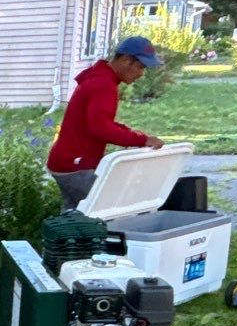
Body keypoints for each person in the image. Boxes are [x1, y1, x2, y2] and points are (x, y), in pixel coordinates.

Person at [47, 36, 165, 211]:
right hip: (75, 165)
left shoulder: (100, 78)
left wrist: (130, 133)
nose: (141, 73)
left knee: (76, 216)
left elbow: (97, 121)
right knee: (112, 210)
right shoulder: (104, 85)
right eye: (140, 66)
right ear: (126, 60)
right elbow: (100, 127)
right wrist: (142, 140)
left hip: (65, 161)